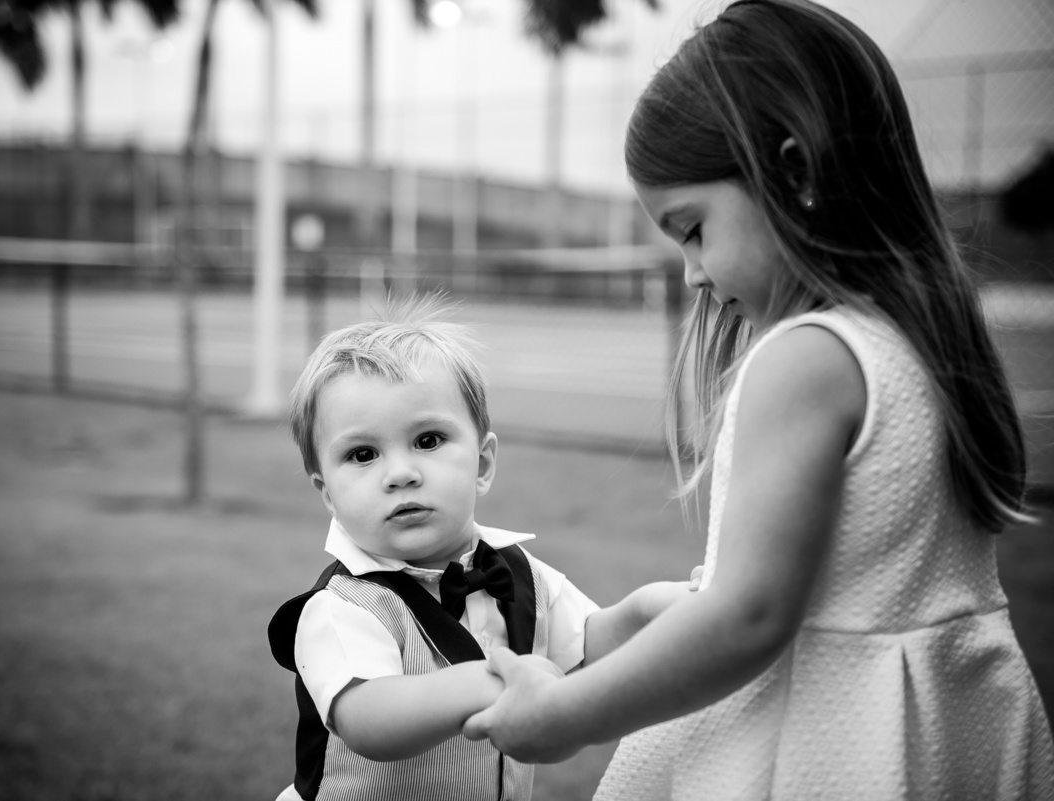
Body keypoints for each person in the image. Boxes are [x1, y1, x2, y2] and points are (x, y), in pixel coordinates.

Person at [462, 1, 1054, 798]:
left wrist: (567, 713)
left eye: (693, 228)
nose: (691, 274)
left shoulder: (807, 358)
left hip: (819, 750)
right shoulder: (926, 340)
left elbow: (745, 616)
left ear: (795, 172)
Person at [267, 296, 697, 801]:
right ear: (327, 493)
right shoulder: (341, 607)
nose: (401, 473)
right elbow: (366, 718)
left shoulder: (519, 574)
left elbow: (585, 647)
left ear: (483, 464)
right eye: (362, 454)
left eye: (428, 440)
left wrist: (646, 611)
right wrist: (490, 682)